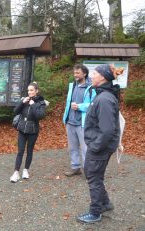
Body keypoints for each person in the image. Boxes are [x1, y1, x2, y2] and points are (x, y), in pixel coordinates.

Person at [77, 64, 123, 224]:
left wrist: (95, 147)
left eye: (94, 74)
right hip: (100, 145)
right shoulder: (104, 95)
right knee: (95, 175)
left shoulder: (104, 99)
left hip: (100, 147)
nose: (91, 76)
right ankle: (105, 203)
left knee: (93, 176)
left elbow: (107, 130)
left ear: (102, 77)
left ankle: (95, 212)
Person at [63, 64, 96, 177]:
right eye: (74, 73)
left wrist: (80, 106)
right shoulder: (73, 86)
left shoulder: (91, 88)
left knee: (85, 148)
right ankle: (75, 167)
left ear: (84, 74)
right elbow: (68, 103)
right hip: (70, 122)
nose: (75, 75)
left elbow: (94, 105)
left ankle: (89, 171)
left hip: (83, 124)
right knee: (72, 147)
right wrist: (65, 118)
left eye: (78, 73)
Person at [10, 82, 46, 183]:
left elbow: (40, 116)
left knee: (29, 151)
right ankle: (16, 172)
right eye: (28, 90)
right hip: (22, 129)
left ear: (36, 91)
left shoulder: (41, 103)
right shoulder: (24, 100)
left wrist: (33, 105)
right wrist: (22, 102)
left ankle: (26, 170)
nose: (29, 92)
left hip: (33, 130)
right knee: (20, 151)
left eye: (31, 90)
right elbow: (15, 111)